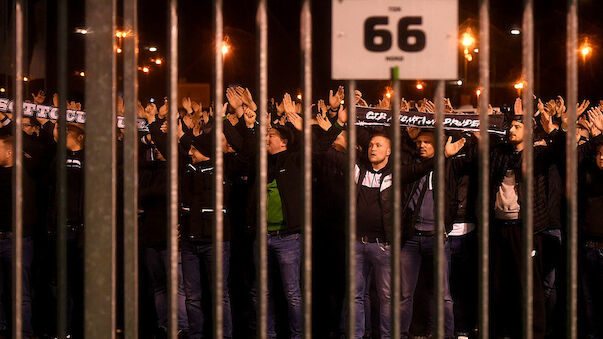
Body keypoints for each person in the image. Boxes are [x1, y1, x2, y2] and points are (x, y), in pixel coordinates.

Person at [0, 134, 36, 339]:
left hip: (18, 240)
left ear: (10, 152)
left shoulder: (27, 172)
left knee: (21, 293)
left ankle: (24, 333)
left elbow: (41, 154)